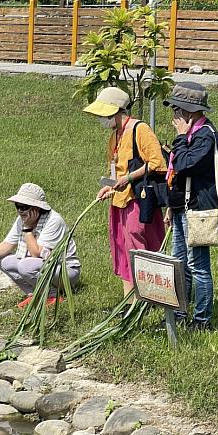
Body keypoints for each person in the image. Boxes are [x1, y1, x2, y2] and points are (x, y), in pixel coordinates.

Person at [83, 87, 167, 297]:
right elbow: (115, 169)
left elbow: (157, 163)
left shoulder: (140, 130)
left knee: (138, 248)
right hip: (119, 201)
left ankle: (146, 297)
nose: (102, 119)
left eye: (104, 114)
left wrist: (128, 178)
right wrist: (110, 187)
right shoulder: (115, 137)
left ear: (117, 111)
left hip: (138, 200)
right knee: (122, 249)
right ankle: (129, 301)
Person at [164, 82, 218, 331]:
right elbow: (177, 175)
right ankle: (179, 313)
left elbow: (185, 165)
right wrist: (171, 206)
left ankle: (202, 319)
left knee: (198, 266)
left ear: (189, 113)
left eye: (176, 110)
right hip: (182, 207)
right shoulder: (190, 135)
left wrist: (180, 137)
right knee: (179, 263)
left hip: (199, 209)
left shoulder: (204, 136)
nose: (174, 116)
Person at [0, 182, 81, 308]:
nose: (20, 211)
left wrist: (28, 229)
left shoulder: (54, 221)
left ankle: (53, 296)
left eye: (24, 207)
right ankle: (35, 294)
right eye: (17, 206)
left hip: (66, 271)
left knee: (26, 265)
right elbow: (6, 245)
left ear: (36, 208)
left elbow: (36, 254)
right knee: (4, 261)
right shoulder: (23, 219)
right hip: (43, 266)